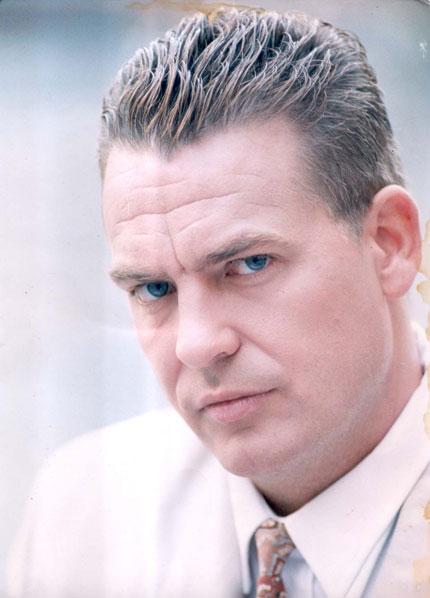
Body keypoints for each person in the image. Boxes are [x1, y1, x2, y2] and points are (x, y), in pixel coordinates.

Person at [7, 8, 430, 598]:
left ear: (390, 242)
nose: (197, 344)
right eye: (154, 289)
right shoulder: (81, 516)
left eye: (250, 265)